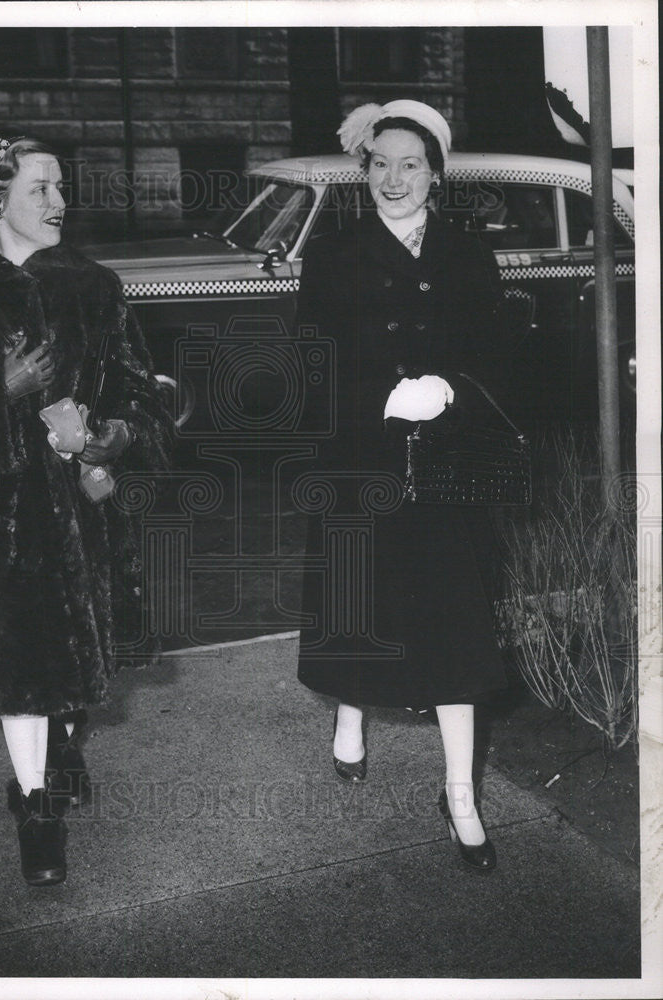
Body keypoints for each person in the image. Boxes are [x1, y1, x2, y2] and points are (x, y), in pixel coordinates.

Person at [0, 135, 172, 886]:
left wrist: (113, 436)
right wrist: (0, 387)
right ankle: (36, 809)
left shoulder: (94, 287)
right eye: (39, 188)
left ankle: (62, 746)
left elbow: (139, 395)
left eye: (60, 186)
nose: (58, 201)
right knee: (18, 667)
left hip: (82, 514)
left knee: (77, 666)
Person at [296, 101, 510, 871]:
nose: (392, 179)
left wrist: (450, 389)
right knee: (363, 607)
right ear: (363, 171)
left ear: (435, 173)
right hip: (362, 459)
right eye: (378, 163)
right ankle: (351, 716)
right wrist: (377, 401)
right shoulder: (333, 251)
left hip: (447, 463)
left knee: (455, 624)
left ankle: (459, 794)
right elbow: (309, 360)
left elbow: (498, 352)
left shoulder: (465, 250)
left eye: (409, 164)